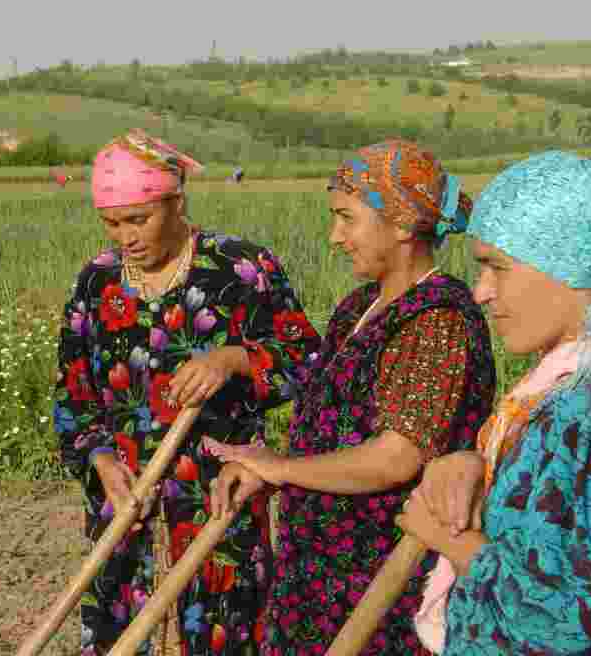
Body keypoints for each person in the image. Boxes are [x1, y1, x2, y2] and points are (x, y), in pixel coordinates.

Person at [205, 139, 496, 656]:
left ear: (404, 224)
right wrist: (270, 469)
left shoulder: (437, 319)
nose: (335, 237)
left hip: (379, 590)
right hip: (319, 583)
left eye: (347, 218)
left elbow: (397, 456)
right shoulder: (360, 306)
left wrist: (282, 468)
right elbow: (333, 431)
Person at [396, 151, 591, 654]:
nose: (481, 292)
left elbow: (571, 619)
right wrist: (473, 464)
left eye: (496, 268)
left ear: (565, 266)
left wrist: (454, 543)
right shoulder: (560, 390)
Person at [52, 129, 320, 656]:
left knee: (225, 639)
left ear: (177, 202)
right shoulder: (96, 284)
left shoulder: (239, 270)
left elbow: (307, 361)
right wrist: (102, 461)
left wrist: (235, 359)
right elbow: (73, 399)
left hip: (219, 505)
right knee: (123, 638)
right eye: (112, 223)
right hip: (125, 511)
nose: (125, 237)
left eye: (139, 220)